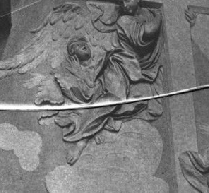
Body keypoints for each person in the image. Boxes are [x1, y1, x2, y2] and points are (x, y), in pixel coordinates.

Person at [42, 35, 151, 164]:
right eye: (77, 46)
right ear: (74, 55)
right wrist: (79, 73)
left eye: (83, 43)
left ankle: (84, 139)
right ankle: (83, 141)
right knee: (98, 108)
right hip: (104, 97)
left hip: (115, 88)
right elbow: (88, 92)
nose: (82, 45)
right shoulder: (80, 71)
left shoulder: (103, 59)